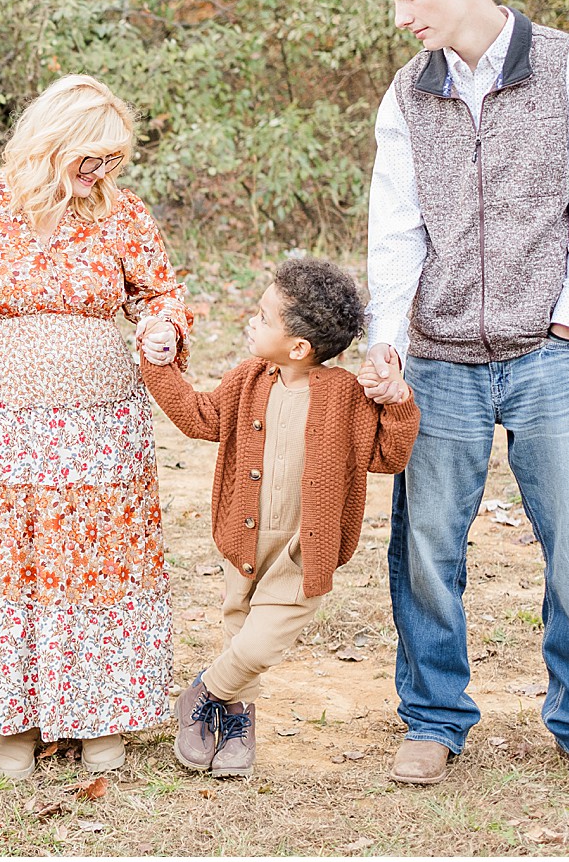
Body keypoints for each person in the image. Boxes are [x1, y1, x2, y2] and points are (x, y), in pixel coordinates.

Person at [361, 0, 569, 799]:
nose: (403, 16)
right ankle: (434, 720)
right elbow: (396, 224)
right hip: (438, 359)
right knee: (426, 548)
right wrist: (389, 339)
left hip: (544, 354)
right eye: (394, 0)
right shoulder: (409, 93)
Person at [0, 75, 188, 780]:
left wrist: (160, 329)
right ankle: (15, 721)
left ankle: (99, 716)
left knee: (93, 568)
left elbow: (161, 295)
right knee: (5, 565)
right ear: (48, 141)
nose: (101, 173)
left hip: (98, 433)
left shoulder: (122, 217)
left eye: (113, 161)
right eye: (89, 157)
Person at [142, 259, 418, 778]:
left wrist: (399, 404)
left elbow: (388, 456)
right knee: (239, 628)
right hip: (243, 535)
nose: (253, 321)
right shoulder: (249, 379)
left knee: (263, 640)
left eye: (265, 317)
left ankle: (203, 692)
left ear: (299, 347)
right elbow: (201, 416)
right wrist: (160, 368)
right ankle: (234, 725)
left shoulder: (344, 396)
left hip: (302, 545)